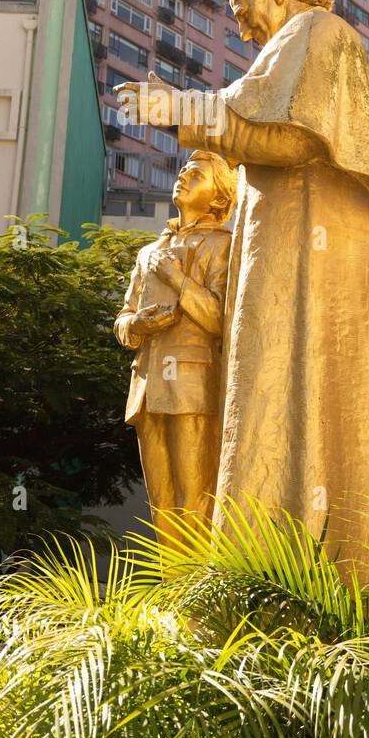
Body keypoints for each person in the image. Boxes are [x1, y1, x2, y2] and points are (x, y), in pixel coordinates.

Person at [115, 0, 369, 588]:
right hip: (294, 230)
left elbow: (291, 138)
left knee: (297, 382)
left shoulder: (318, 34)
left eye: (242, 5)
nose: (240, 25)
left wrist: (175, 110)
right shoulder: (299, 43)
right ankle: (270, 569)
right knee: (275, 391)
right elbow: (263, 124)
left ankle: (300, 574)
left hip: (309, 236)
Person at [114, 150, 236, 548]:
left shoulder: (225, 246)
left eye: (196, 175)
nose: (183, 176)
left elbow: (221, 319)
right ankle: (172, 596)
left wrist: (175, 278)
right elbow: (123, 319)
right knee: (160, 504)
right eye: (183, 170)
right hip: (147, 386)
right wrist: (137, 325)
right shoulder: (148, 251)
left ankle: (196, 601)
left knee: (196, 499)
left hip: (192, 384)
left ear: (219, 199)